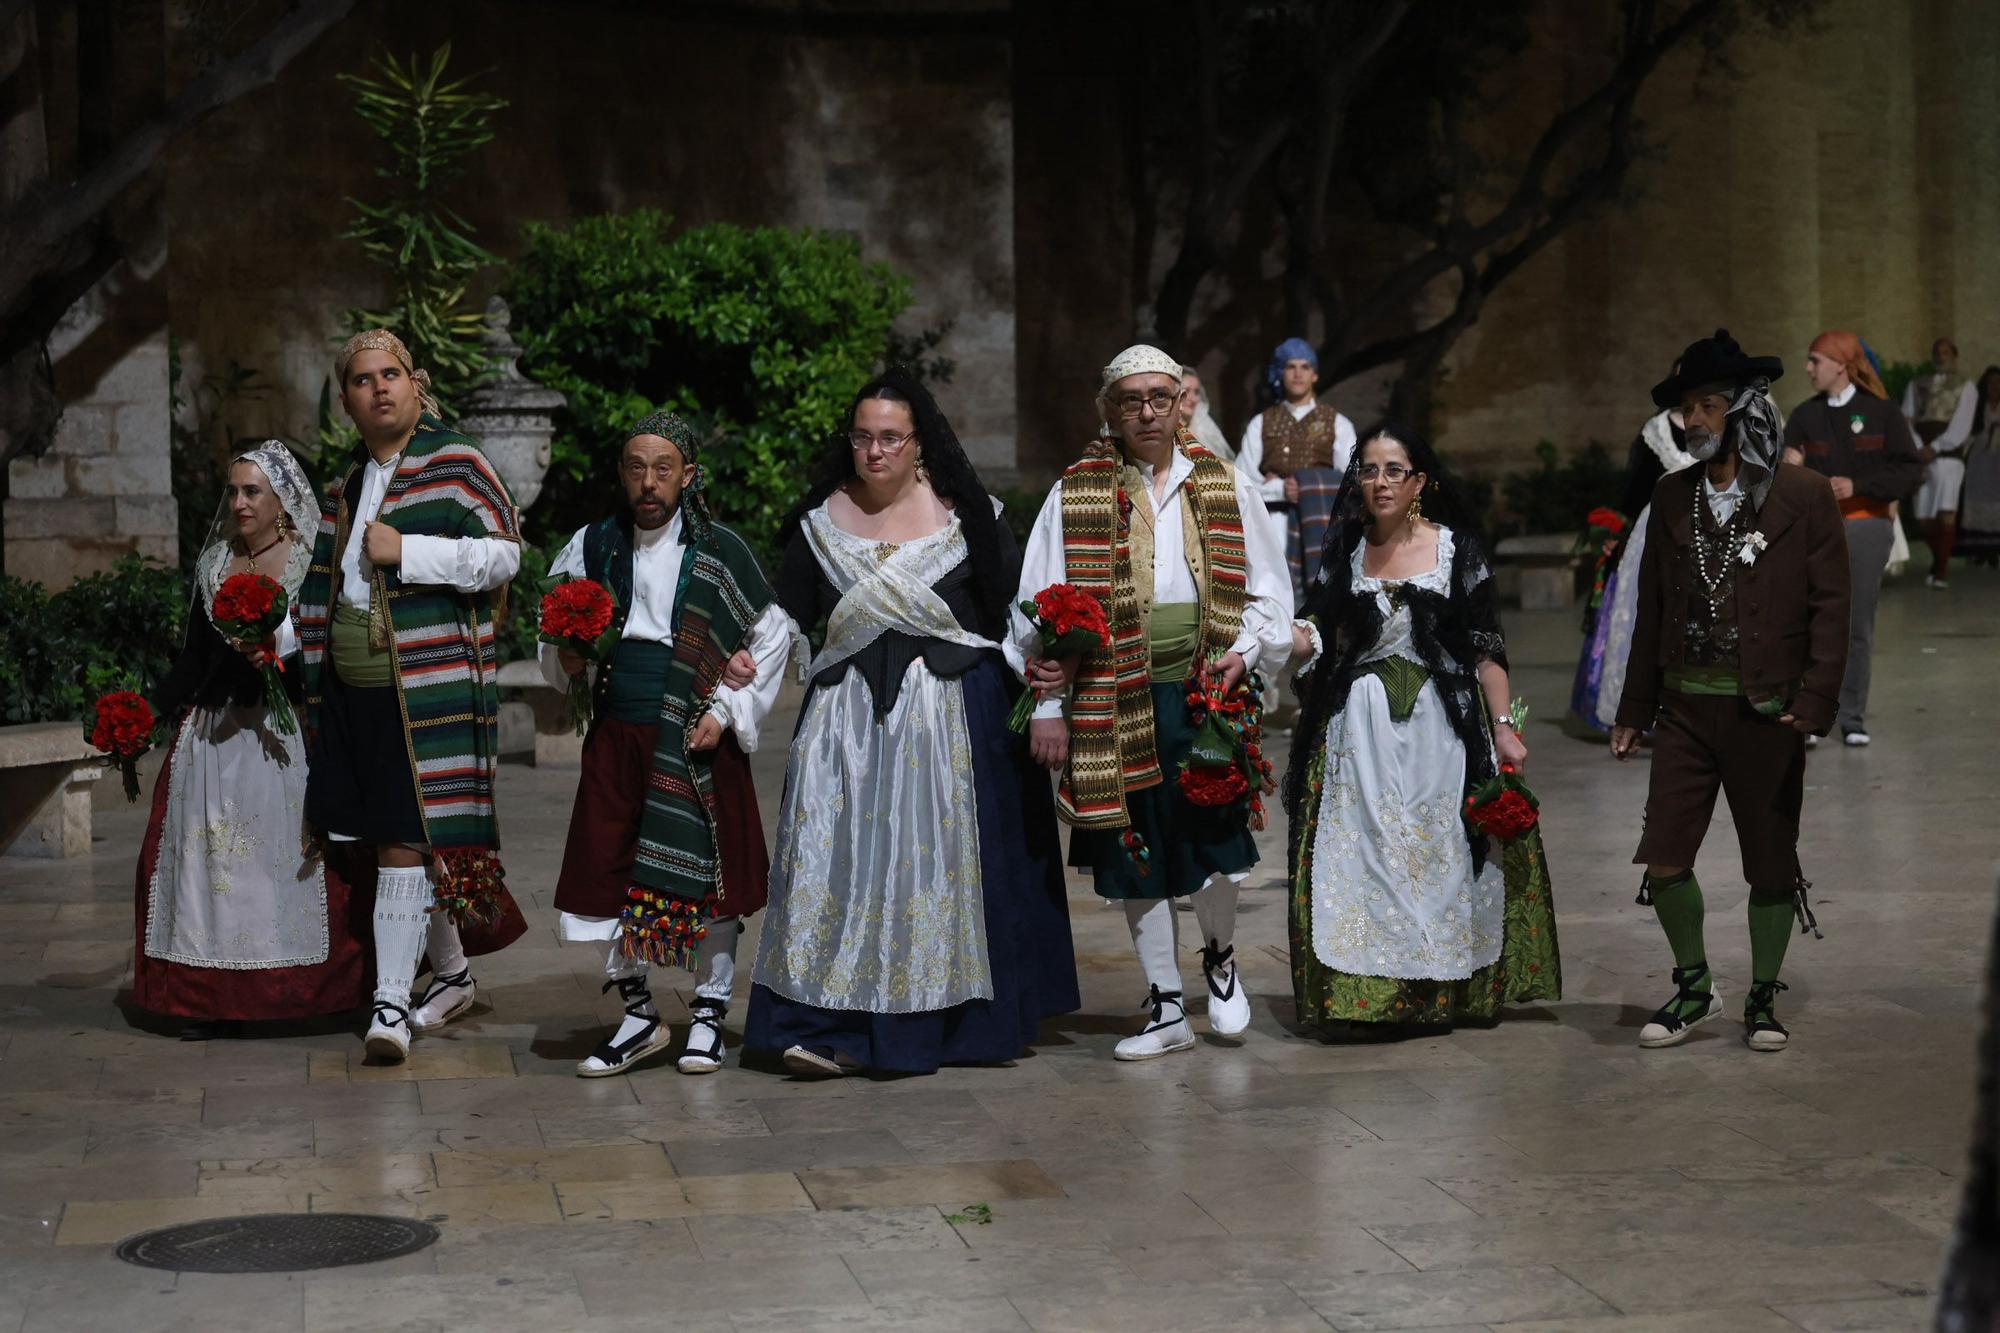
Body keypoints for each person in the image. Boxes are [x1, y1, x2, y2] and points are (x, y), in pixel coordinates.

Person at [745, 370, 1079, 1077]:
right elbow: (781, 621)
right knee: (841, 874)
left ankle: (946, 1027)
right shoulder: (818, 525)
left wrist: (1047, 694)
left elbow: (1013, 618)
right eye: (863, 436)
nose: (875, 451)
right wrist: (730, 691)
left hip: (953, 727)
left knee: (934, 877)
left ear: (918, 442)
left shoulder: (972, 520)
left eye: (890, 437)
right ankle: (822, 1022)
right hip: (846, 735)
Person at [1017, 345, 1292, 1061]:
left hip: (1206, 689)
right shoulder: (1074, 491)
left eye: (1160, 398)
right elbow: (1035, 608)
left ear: (1181, 405)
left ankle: (1221, 957)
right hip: (1114, 695)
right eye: (1131, 399)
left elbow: (1270, 586)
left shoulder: (1224, 482)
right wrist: (1049, 704)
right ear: (1110, 409)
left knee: (1213, 837)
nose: (1146, 411)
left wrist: (1248, 651)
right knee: (1134, 846)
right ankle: (1167, 1003)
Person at [1613, 330, 1849, 1053]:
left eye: (1707, 405)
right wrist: (1633, 708)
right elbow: (1651, 608)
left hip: (1768, 710)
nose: (1693, 421)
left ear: (1744, 409)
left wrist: (1812, 702)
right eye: (1687, 408)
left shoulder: (1801, 495)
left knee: (1771, 861)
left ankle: (1763, 995)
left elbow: (1832, 608)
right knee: (1665, 854)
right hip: (1685, 706)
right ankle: (1694, 986)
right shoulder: (1670, 494)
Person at [298, 328, 528, 1064]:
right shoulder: (350, 477)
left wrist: (410, 552)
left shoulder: (455, 461)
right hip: (350, 692)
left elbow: (505, 553)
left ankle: (391, 1004)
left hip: (422, 688)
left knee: (403, 836)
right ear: (347, 400)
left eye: (391, 373)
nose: (380, 387)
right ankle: (453, 973)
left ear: (416, 383)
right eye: (363, 379)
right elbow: (324, 580)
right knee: (382, 835)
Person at [1283, 423, 1558, 1034]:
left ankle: (1442, 991)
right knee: (1368, 856)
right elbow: (1317, 628)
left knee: (1439, 855)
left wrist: (1505, 727)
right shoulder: (1348, 551)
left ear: (1420, 483)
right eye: (1370, 469)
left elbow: (1487, 649)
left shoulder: (1456, 550)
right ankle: (1373, 995)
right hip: (1362, 730)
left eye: (1393, 470)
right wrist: (1270, 637)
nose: (1379, 482)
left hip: (1443, 726)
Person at [542, 412, 791, 1077]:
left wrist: (730, 707)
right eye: (634, 467)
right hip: (619, 726)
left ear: (688, 474)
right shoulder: (592, 545)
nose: (648, 482)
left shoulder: (721, 551)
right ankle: (638, 1015)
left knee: (713, 876)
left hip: (695, 727)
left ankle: (709, 1014)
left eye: (662, 468)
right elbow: (554, 634)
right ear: (621, 474)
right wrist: (565, 662)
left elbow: (773, 636)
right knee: (608, 869)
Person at [131, 441, 369, 1038]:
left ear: (282, 499)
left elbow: (329, 649)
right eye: (233, 491)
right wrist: (145, 714)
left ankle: (306, 995)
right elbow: (192, 660)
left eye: (251, 491)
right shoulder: (214, 563)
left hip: (284, 735)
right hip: (214, 736)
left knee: (282, 869)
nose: (238, 502)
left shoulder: (311, 560)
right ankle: (202, 999)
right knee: (207, 872)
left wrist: (276, 660)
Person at [1783, 329, 1924, 746]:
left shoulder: (1881, 412)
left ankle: (1852, 717)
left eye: (1815, 361)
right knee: (1808, 619)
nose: (1808, 369)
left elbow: (1909, 469)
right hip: (1816, 530)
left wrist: (1857, 485)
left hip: (1866, 524)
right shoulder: (1805, 415)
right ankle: (1809, 714)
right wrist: (1793, 468)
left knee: (1855, 624)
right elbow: (1787, 470)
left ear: (1841, 366)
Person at [1569, 402, 1695, 734]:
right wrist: (1618, 533)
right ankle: (1642, 708)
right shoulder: (1655, 431)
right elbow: (1635, 489)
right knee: (1647, 613)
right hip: (1656, 529)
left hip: (1708, 528)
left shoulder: (1726, 428)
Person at [1236, 337, 1355, 600]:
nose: (1298, 373)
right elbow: (1241, 482)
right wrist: (1280, 489)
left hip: (1321, 525)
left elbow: (1351, 481)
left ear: (1314, 375)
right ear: (1280, 373)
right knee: (1276, 597)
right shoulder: (1261, 423)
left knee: (1322, 599)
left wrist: (1309, 486)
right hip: (1274, 525)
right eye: (1291, 366)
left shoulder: (1337, 423)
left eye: (1305, 366)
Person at [1905, 337, 1979, 588]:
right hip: (1922, 454)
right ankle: (1939, 561)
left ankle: (1941, 573)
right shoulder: (1917, 384)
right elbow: (1907, 417)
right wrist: (1917, 446)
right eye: (1937, 352)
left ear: (1954, 355)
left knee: (1947, 512)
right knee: (1923, 517)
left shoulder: (1966, 386)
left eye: (1946, 352)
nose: (1941, 356)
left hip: (1948, 456)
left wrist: (1937, 447)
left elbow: (1962, 423)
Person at [1958, 366, 2000, 566]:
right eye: (1991, 383)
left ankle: (1994, 552)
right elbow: (1967, 434)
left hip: (1997, 465)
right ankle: (1976, 551)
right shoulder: (1977, 407)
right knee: (1976, 504)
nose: (1995, 387)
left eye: (1998, 383)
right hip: (1979, 461)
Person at [1177, 366, 1234, 463]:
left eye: (1196, 392)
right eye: (1186, 391)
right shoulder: (1164, 431)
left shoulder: (1205, 429)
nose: (1193, 398)